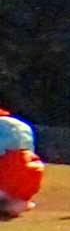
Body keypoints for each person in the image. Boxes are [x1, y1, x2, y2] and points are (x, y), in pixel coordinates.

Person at [0, 92, 43, 223]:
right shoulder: (21, 125)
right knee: (16, 202)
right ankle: (13, 203)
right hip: (31, 176)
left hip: (8, 174)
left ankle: (6, 201)